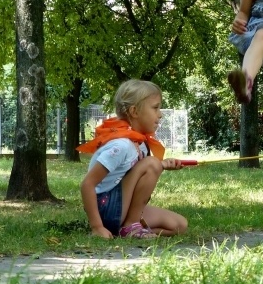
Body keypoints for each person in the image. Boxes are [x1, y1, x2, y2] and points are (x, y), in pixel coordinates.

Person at [79, 79, 188, 239]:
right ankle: (131, 225)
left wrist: (163, 164)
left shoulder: (140, 143)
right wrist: (97, 227)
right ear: (134, 111)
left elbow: (133, 172)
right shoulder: (121, 145)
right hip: (106, 208)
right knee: (152, 164)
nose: (160, 114)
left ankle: (128, 230)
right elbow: (87, 184)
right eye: (155, 108)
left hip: (122, 206)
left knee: (179, 226)